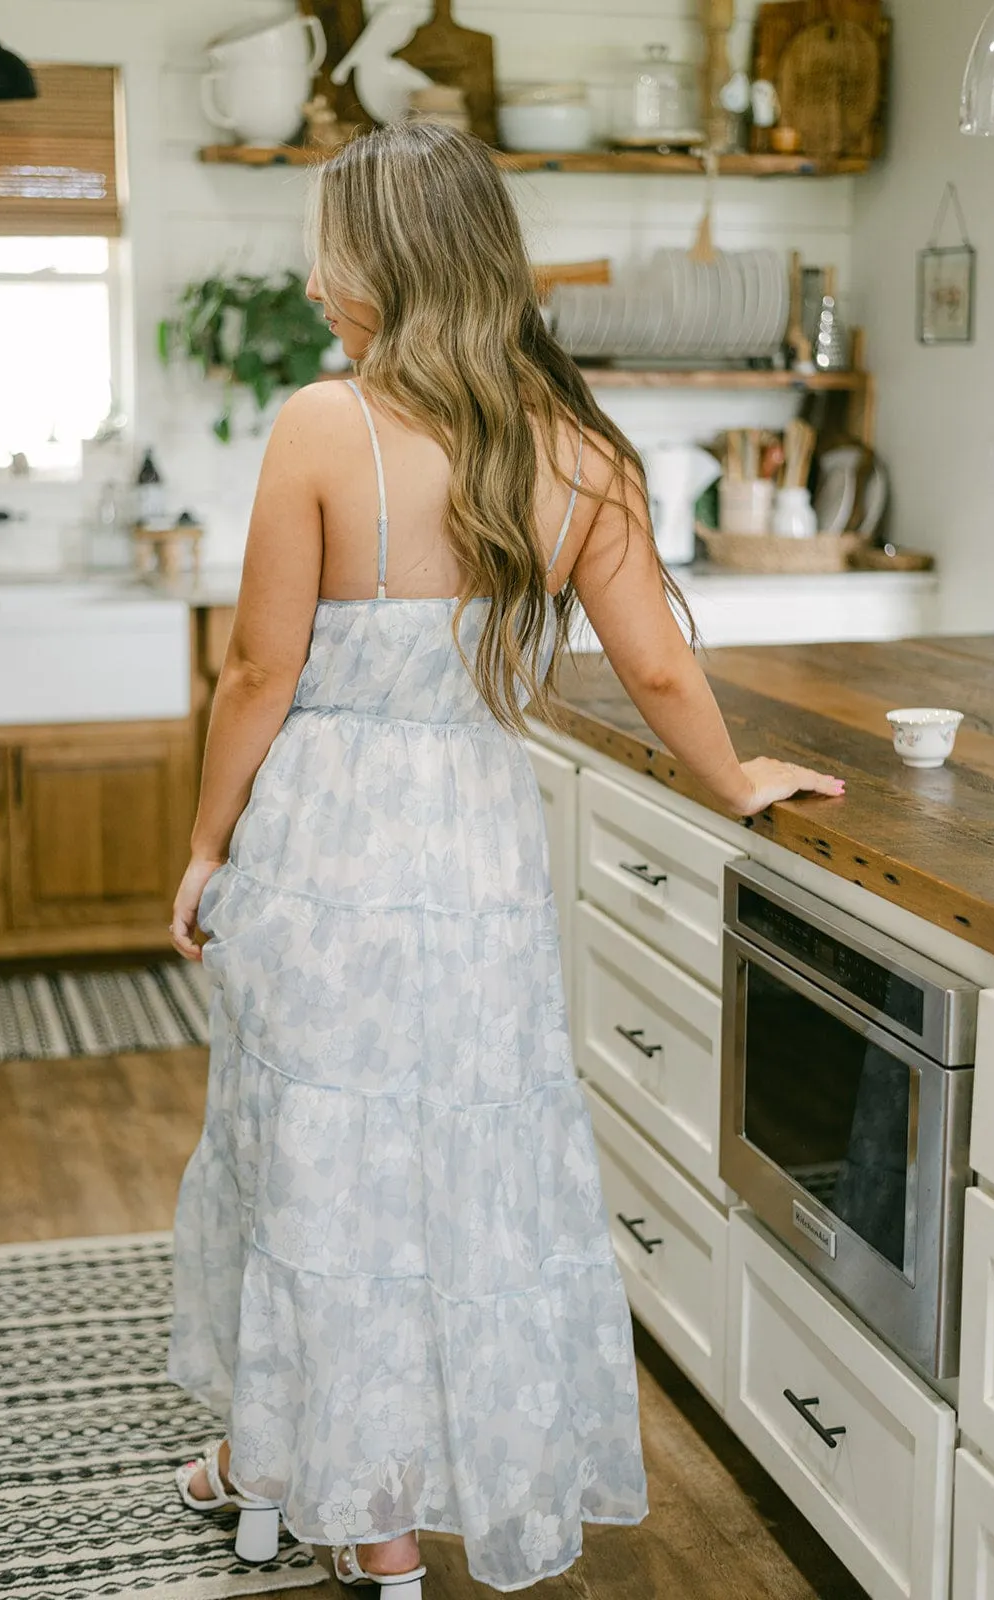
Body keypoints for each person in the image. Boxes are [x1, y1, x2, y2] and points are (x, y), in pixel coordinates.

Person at [167, 121, 843, 1593]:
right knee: (460, 1173)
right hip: (474, 852)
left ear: (386, 263)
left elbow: (253, 673)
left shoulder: (322, 425)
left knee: (313, 1168)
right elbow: (662, 674)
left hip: (325, 848)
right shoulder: (584, 450)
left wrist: (208, 843)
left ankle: (327, 1484)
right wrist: (739, 780)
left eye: (328, 246)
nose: (312, 274)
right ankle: (363, 1490)